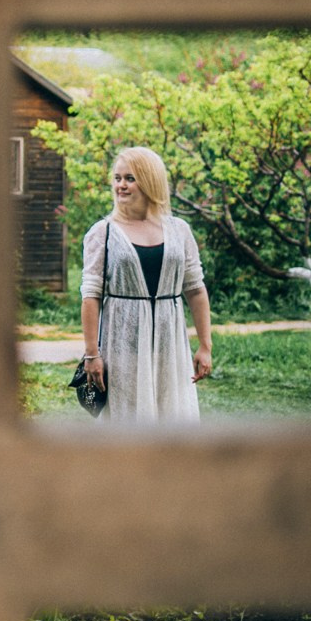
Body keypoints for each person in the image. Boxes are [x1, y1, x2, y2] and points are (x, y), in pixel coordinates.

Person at [79, 146, 213, 424]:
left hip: (170, 341)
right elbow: (90, 296)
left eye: (130, 178)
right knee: (126, 416)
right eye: (117, 178)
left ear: (150, 180)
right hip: (122, 341)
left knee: (171, 412)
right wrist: (92, 354)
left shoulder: (179, 230)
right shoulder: (103, 233)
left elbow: (196, 289)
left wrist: (205, 345)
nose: (121, 185)